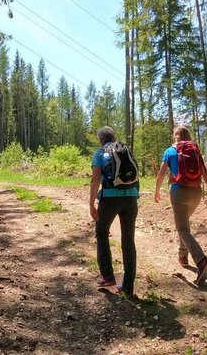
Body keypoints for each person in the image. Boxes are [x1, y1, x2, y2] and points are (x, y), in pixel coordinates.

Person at [153, 125, 207, 284]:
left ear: (176, 136)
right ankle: (183, 256)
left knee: (183, 230)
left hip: (179, 193)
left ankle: (202, 261)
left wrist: (157, 191)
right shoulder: (196, 151)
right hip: (196, 194)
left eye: (174, 135)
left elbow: (161, 174)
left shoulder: (170, 151)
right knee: (184, 226)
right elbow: (206, 178)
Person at [89, 126, 139, 297]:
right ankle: (128, 287)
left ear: (101, 139)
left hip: (110, 198)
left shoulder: (99, 153)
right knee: (128, 239)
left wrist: (91, 204)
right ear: (114, 137)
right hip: (131, 198)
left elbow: (95, 180)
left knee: (101, 232)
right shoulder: (126, 150)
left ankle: (108, 277)